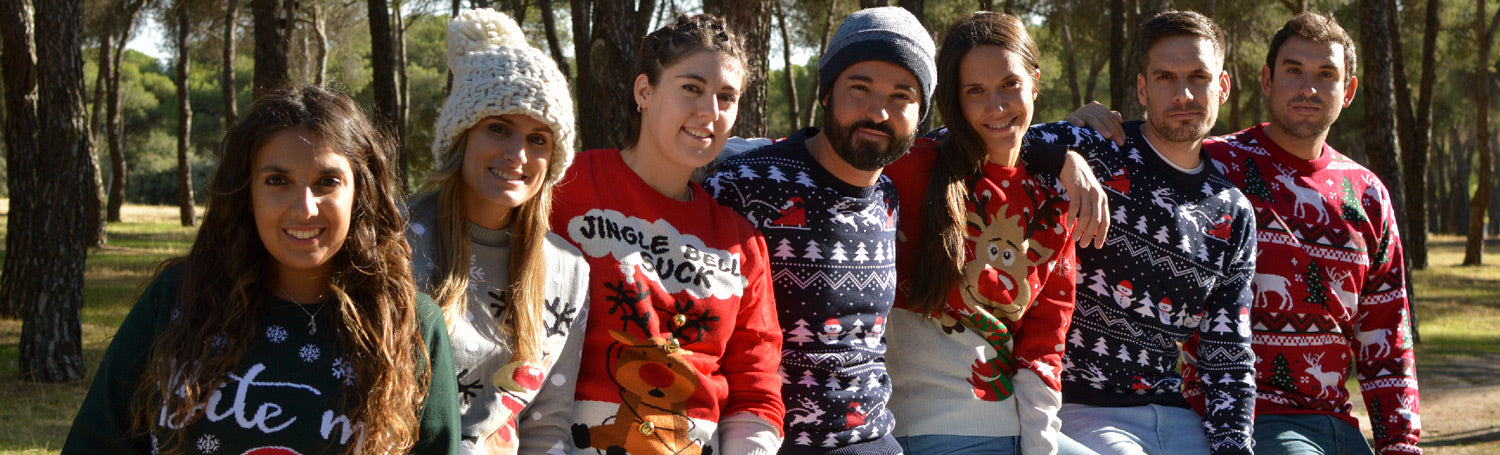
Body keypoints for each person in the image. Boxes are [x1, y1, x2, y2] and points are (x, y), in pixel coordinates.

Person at [1067, 11, 1424, 454]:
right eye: (1294, 71)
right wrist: (1076, 135)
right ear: (1267, 80)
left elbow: (1387, 336)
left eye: (1325, 74)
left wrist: (1401, 444)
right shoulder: (1216, 167)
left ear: (1348, 91)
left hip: (1339, 420)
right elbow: (1152, 147)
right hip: (1252, 418)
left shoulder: (1368, 195)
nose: (1309, 88)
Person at [60, 85, 460, 454]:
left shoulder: (410, 325)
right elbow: (95, 443)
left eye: (327, 181)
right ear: (247, 193)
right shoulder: (176, 301)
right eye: (277, 180)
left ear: (360, 192)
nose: (304, 207)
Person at [1021, 10, 1258, 455]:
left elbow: (1228, 355)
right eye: (1166, 77)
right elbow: (969, 139)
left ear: (1222, 87)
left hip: (1174, 412)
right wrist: (1061, 157)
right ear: (1142, 89)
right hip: (1082, 407)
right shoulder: (1095, 148)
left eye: (1199, 77)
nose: (1183, 94)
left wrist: (1234, 447)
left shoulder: (1233, 212)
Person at [550, 14, 784, 455]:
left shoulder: (743, 243)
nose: (709, 112)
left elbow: (756, 386)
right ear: (644, 91)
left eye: (727, 98)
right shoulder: (568, 185)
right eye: (691, 88)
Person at [702, 7, 932, 454]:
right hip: (762, 440)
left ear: (920, 112)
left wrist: (1062, 153)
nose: (878, 111)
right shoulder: (744, 184)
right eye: (859, 88)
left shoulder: (888, 196)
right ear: (826, 93)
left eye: (902, 96)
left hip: (871, 439)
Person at [880, 11, 1080, 455]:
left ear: (1034, 81)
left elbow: (1044, 344)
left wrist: (1040, 445)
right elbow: (814, 155)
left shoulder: (1055, 201)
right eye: (975, 92)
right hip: (916, 425)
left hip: (1008, 423)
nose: (996, 106)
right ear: (955, 100)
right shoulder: (911, 167)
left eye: (1009, 84)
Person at [405, 9, 590, 454]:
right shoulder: (395, 237)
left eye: (538, 139)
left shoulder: (568, 271)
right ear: (462, 135)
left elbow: (547, 425)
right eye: (499, 128)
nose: (517, 155)